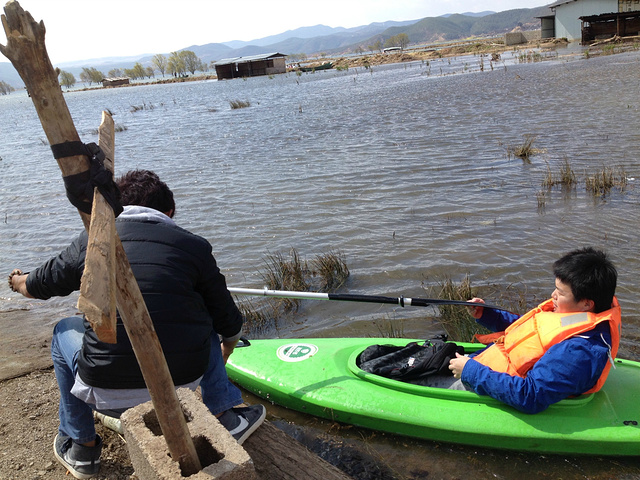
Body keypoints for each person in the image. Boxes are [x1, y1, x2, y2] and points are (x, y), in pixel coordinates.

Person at [8, 170, 265, 479]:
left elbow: (37, 285)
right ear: (170, 211)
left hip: (105, 394)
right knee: (204, 313)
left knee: (64, 329)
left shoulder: (93, 240)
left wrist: (16, 281)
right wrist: (227, 348)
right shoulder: (193, 246)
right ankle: (224, 416)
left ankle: (82, 449)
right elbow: (229, 321)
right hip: (182, 389)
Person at [447, 247, 620, 414]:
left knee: (432, 380)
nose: (553, 295)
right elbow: (529, 329)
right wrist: (487, 314)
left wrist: (470, 371)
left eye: (560, 293)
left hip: (492, 384)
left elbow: (530, 395)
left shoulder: (580, 351)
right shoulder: (577, 313)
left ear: (586, 303)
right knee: (436, 360)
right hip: (487, 366)